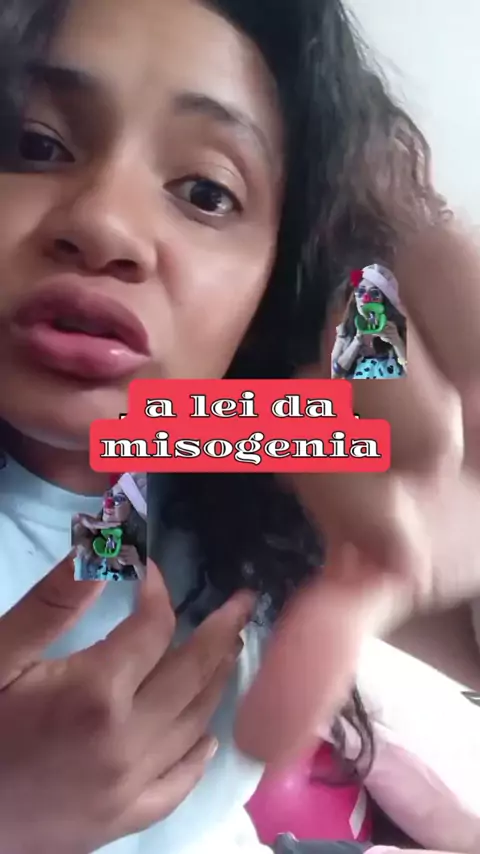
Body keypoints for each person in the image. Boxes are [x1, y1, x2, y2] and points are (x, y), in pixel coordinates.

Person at [0, 0, 479, 853]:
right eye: (39, 145)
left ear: (274, 280)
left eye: (206, 192)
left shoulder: (217, 439)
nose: (105, 223)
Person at [331, 265, 407, 379]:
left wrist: (397, 343)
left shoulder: (400, 330)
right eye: (360, 291)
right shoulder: (345, 330)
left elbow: (416, 378)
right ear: (355, 298)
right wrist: (356, 342)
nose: (365, 298)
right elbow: (334, 376)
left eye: (374, 293)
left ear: (384, 300)